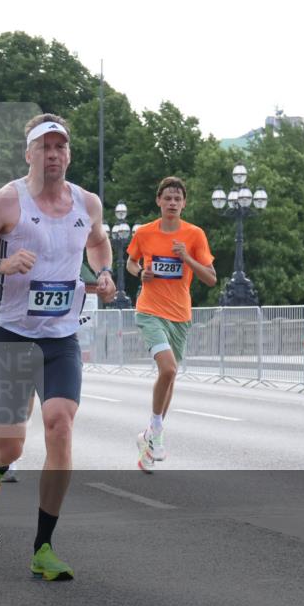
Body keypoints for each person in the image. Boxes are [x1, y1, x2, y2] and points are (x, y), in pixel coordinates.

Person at [0, 113, 116, 581]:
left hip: (61, 337)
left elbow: (99, 245)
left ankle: (44, 546)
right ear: (29, 154)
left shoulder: (87, 202)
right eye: (45, 146)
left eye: (61, 147)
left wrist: (102, 274)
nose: (54, 154)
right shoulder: (8, 201)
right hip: (11, 334)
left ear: (69, 154)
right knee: (13, 444)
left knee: (60, 426)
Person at [126, 176, 216, 473]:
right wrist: (141, 273)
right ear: (159, 201)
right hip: (149, 310)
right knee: (168, 369)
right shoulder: (145, 232)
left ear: (184, 203)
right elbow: (130, 262)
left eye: (178, 199)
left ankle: (148, 440)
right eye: (168, 198)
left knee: (170, 377)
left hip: (180, 314)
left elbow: (211, 277)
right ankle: (156, 430)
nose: (173, 203)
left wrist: (186, 257)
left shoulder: (194, 234)